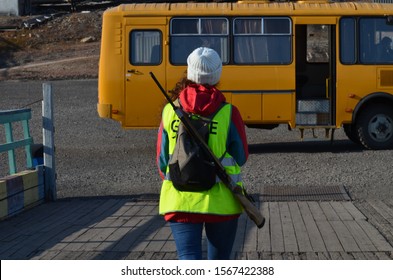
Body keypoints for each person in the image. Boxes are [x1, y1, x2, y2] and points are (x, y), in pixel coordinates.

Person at [156, 47, 249, 260]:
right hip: (222, 201)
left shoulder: (170, 110)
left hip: (179, 199)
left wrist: (183, 176)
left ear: (190, 73)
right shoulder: (229, 112)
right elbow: (241, 156)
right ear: (217, 75)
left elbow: (162, 160)